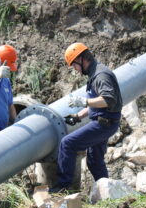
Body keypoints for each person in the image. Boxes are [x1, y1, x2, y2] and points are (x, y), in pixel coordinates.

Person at [50, 42, 122, 193]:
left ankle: (63, 187)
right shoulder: (95, 73)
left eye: (74, 65)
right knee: (94, 161)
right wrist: (78, 116)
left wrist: (85, 101)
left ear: (81, 59)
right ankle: (107, 192)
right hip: (105, 122)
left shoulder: (100, 75)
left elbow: (108, 100)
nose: (75, 69)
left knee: (67, 143)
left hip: (104, 124)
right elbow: (98, 104)